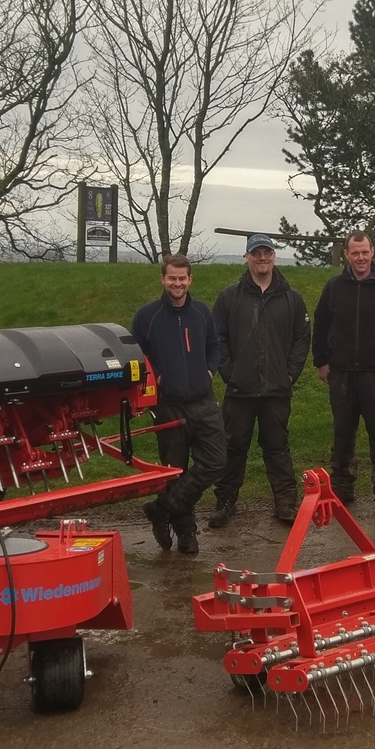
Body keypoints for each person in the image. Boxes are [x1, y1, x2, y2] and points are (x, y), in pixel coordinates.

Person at [210, 234, 311, 525]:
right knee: (233, 447)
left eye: (267, 253)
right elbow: (217, 338)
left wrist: (290, 373)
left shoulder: (291, 297)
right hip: (240, 390)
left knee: (277, 448)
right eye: (256, 253)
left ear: (274, 257)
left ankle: (285, 503)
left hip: (277, 390)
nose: (262, 258)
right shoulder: (230, 296)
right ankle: (225, 501)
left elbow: (302, 338)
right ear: (247, 257)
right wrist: (229, 371)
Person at [130, 255, 226, 555]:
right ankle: (186, 533)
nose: (177, 283)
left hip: (202, 400)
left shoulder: (201, 312)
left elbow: (215, 345)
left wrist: (209, 370)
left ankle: (162, 509)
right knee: (174, 470)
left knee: (216, 462)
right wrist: (152, 379)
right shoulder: (148, 316)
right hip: (168, 403)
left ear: (190, 280)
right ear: (163, 279)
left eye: (182, 278)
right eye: (172, 278)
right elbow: (135, 357)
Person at [311, 230, 375, 518]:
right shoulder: (334, 287)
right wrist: (321, 362)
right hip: (340, 373)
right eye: (355, 253)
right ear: (346, 255)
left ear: (373, 252)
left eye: (365, 252)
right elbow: (321, 323)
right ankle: (342, 488)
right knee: (342, 434)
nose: (360, 257)